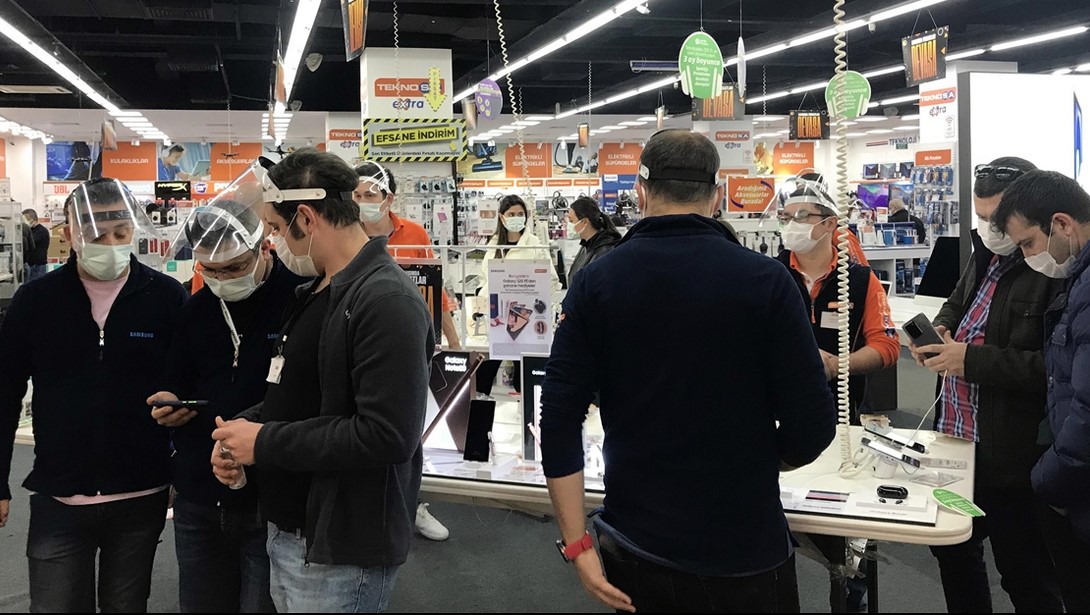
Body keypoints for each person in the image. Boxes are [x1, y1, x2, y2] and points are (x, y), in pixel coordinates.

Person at [539, 129, 836, 613]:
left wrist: (576, 544)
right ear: (716, 197)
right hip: (747, 546)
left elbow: (558, 417)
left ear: (640, 192)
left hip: (639, 546)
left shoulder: (596, 282)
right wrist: (763, 459)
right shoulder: (769, 282)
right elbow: (815, 423)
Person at [209, 148, 434, 613]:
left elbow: (387, 434)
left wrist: (264, 442)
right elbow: (300, 395)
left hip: (340, 549)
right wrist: (242, 432)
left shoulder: (386, 301)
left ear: (307, 218)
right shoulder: (316, 291)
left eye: (276, 228)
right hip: (293, 532)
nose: (274, 241)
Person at [0, 177, 187, 612]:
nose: (111, 245)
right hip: (59, 493)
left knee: (127, 606)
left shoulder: (166, 298)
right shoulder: (36, 300)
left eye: (120, 233)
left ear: (133, 229)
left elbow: (189, 385)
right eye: (96, 234)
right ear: (70, 232)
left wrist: (182, 465)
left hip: (141, 491)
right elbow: (4, 392)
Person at [910, 158, 1065, 613]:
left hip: (1011, 453)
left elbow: (1054, 367)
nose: (990, 230)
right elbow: (957, 302)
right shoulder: (985, 254)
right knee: (954, 552)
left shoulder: (1051, 267)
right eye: (980, 217)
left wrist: (970, 360)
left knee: (1024, 572)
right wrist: (941, 330)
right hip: (956, 440)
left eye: (997, 219)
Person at [148, 177, 309, 613]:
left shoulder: (299, 300)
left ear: (264, 248)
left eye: (235, 268)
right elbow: (178, 377)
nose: (222, 279)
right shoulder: (196, 308)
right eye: (211, 270)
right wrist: (170, 400)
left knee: (263, 603)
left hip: (271, 493)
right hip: (199, 491)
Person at [992, 169, 1090, 613]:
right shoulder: (1078, 281)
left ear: (1062, 223)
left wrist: (1048, 481)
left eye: (1029, 243)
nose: (1028, 256)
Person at [353, 160, 454, 543]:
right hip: (361, 344)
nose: (362, 202)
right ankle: (367, 509)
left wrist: (454, 342)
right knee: (362, 425)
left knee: (412, 428)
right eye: (356, 195)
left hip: (412, 346)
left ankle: (414, 505)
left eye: (370, 194)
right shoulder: (348, 234)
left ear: (388, 198)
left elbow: (435, 293)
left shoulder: (413, 233)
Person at [475, 194, 559, 397]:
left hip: (527, 321)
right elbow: (483, 280)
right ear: (502, 217)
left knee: (525, 380)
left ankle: (529, 414)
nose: (516, 218)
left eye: (520, 214)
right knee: (482, 379)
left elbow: (551, 280)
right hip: (496, 319)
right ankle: (479, 412)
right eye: (511, 214)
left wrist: (535, 300)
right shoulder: (493, 246)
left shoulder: (535, 244)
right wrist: (482, 301)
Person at [565, 196, 621, 283]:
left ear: (584, 222)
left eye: (571, 221)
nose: (568, 225)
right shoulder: (586, 246)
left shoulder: (605, 251)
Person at [22, 209, 50, 282]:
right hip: (32, 265)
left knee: (36, 286)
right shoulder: (31, 230)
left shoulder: (41, 231)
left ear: (32, 219)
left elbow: (29, 243)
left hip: (38, 266)